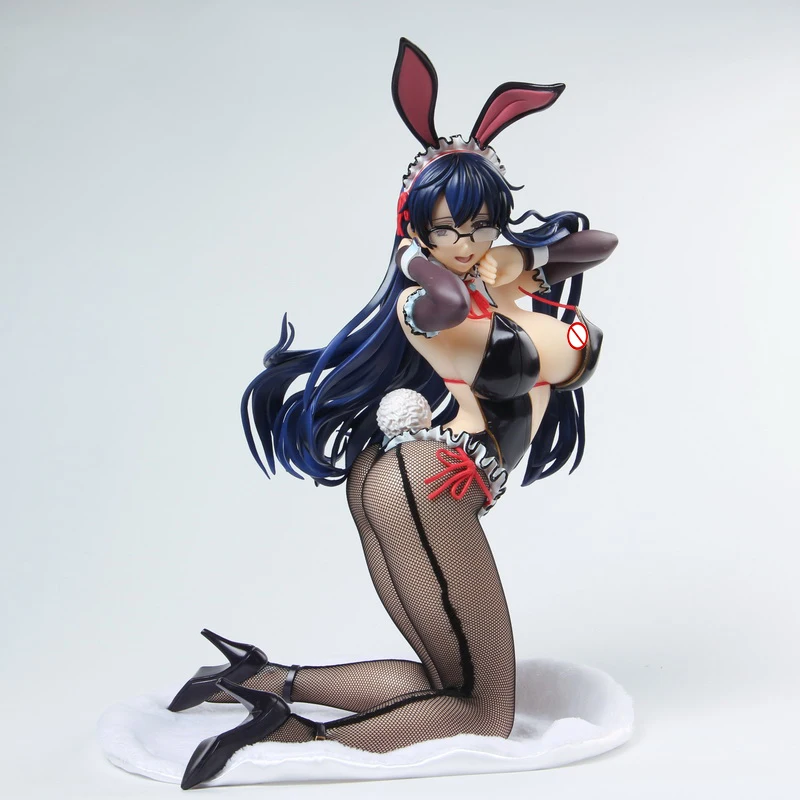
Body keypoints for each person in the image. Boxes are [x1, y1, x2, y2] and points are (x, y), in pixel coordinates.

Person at [170, 38, 618, 790]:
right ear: (419, 228)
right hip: (434, 479)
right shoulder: (426, 302)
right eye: (447, 228)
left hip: (412, 480)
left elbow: (599, 244)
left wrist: (525, 254)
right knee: (488, 712)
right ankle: (290, 736)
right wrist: (419, 257)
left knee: (446, 684)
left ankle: (258, 678)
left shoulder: (507, 278)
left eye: (480, 224)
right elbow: (441, 299)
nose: (466, 243)